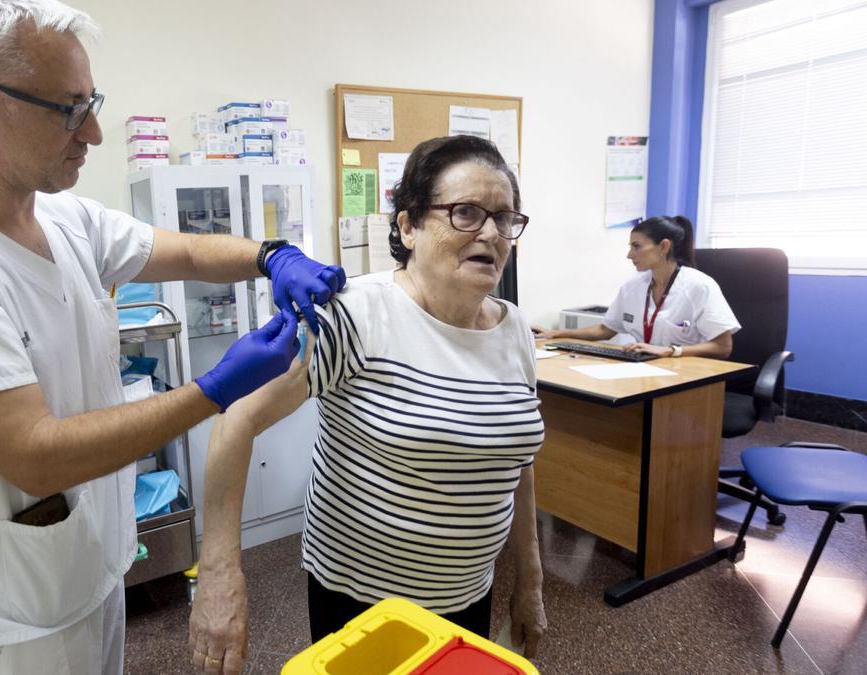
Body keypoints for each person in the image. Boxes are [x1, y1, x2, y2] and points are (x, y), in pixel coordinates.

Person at [0, 2, 344, 673]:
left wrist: (273, 255)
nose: (97, 132)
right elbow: (35, 454)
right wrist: (214, 389)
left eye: (93, 101)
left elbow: (191, 254)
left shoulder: (64, 217)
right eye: (69, 108)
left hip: (90, 570)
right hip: (3, 619)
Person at [189, 135, 547, 674]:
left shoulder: (513, 326)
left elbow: (516, 460)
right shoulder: (356, 315)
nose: (492, 234)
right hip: (362, 603)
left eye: (504, 217)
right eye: (467, 213)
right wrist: (219, 575)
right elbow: (235, 419)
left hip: (468, 594)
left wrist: (531, 580)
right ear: (408, 226)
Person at [533, 215, 740, 358]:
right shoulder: (633, 287)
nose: (630, 255)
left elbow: (723, 347)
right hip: (647, 368)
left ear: (664, 246)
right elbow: (605, 330)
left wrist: (671, 351)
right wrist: (556, 334)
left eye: (637, 246)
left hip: (688, 374)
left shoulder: (699, 286)